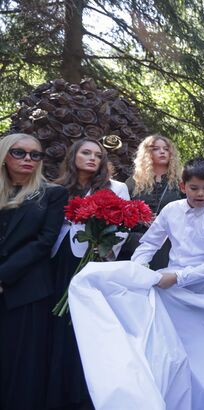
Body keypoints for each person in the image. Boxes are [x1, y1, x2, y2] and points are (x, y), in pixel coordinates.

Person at [48, 138, 129, 410]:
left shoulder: (116, 188)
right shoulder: (58, 187)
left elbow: (122, 229)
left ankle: (82, 391)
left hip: (92, 260)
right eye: (86, 153)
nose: (92, 158)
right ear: (73, 156)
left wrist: (102, 250)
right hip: (59, 259)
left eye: (98, 155)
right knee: (59, 322)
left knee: (83, 323)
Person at [0, 134, 68, 410]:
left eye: (35, 154)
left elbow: (44, 241)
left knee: (22, 367)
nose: (28, 158)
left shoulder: (52, 193)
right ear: (5, 156)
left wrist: (3, 275)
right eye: (19, 152)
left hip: (27, 291)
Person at [131, 157, 204, 290]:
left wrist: (178, 277)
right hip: (171, 279)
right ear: (183, 187)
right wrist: (138, 266)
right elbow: (150, 243)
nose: (200, 194)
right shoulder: (171, 210)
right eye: (194, 188)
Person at [121, 134, 183, 269]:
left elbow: (190, 210)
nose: (162, 152)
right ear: (147, 153)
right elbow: (123, 211)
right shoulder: (134, 182)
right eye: (156, 149)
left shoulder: (180, 182)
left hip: (171, 240)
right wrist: (140, 219)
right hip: (139, 239)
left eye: (166, 149)